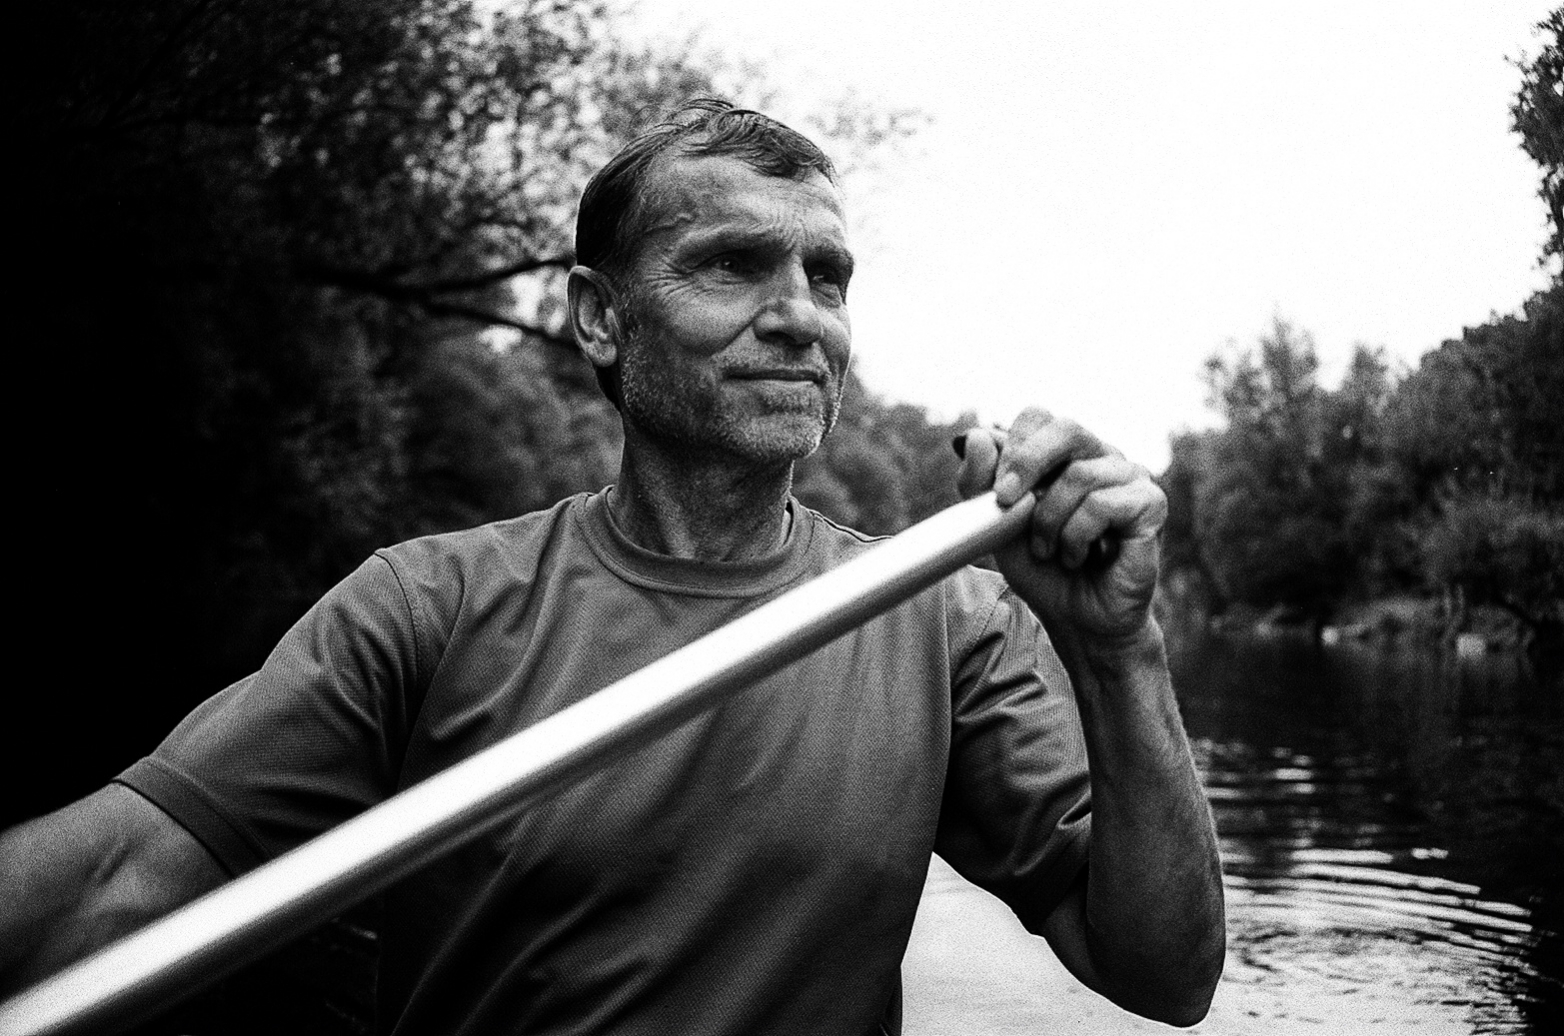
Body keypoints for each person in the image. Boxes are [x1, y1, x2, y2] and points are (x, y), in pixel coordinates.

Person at [0, 99, 1224, 1034]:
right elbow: (116, 876)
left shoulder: (945, 620)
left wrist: (1118, 651)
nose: (801, 313)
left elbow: (1164, 974)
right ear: (599, 316)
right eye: (734, 264)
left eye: (827, 276)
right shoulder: (428, 606)